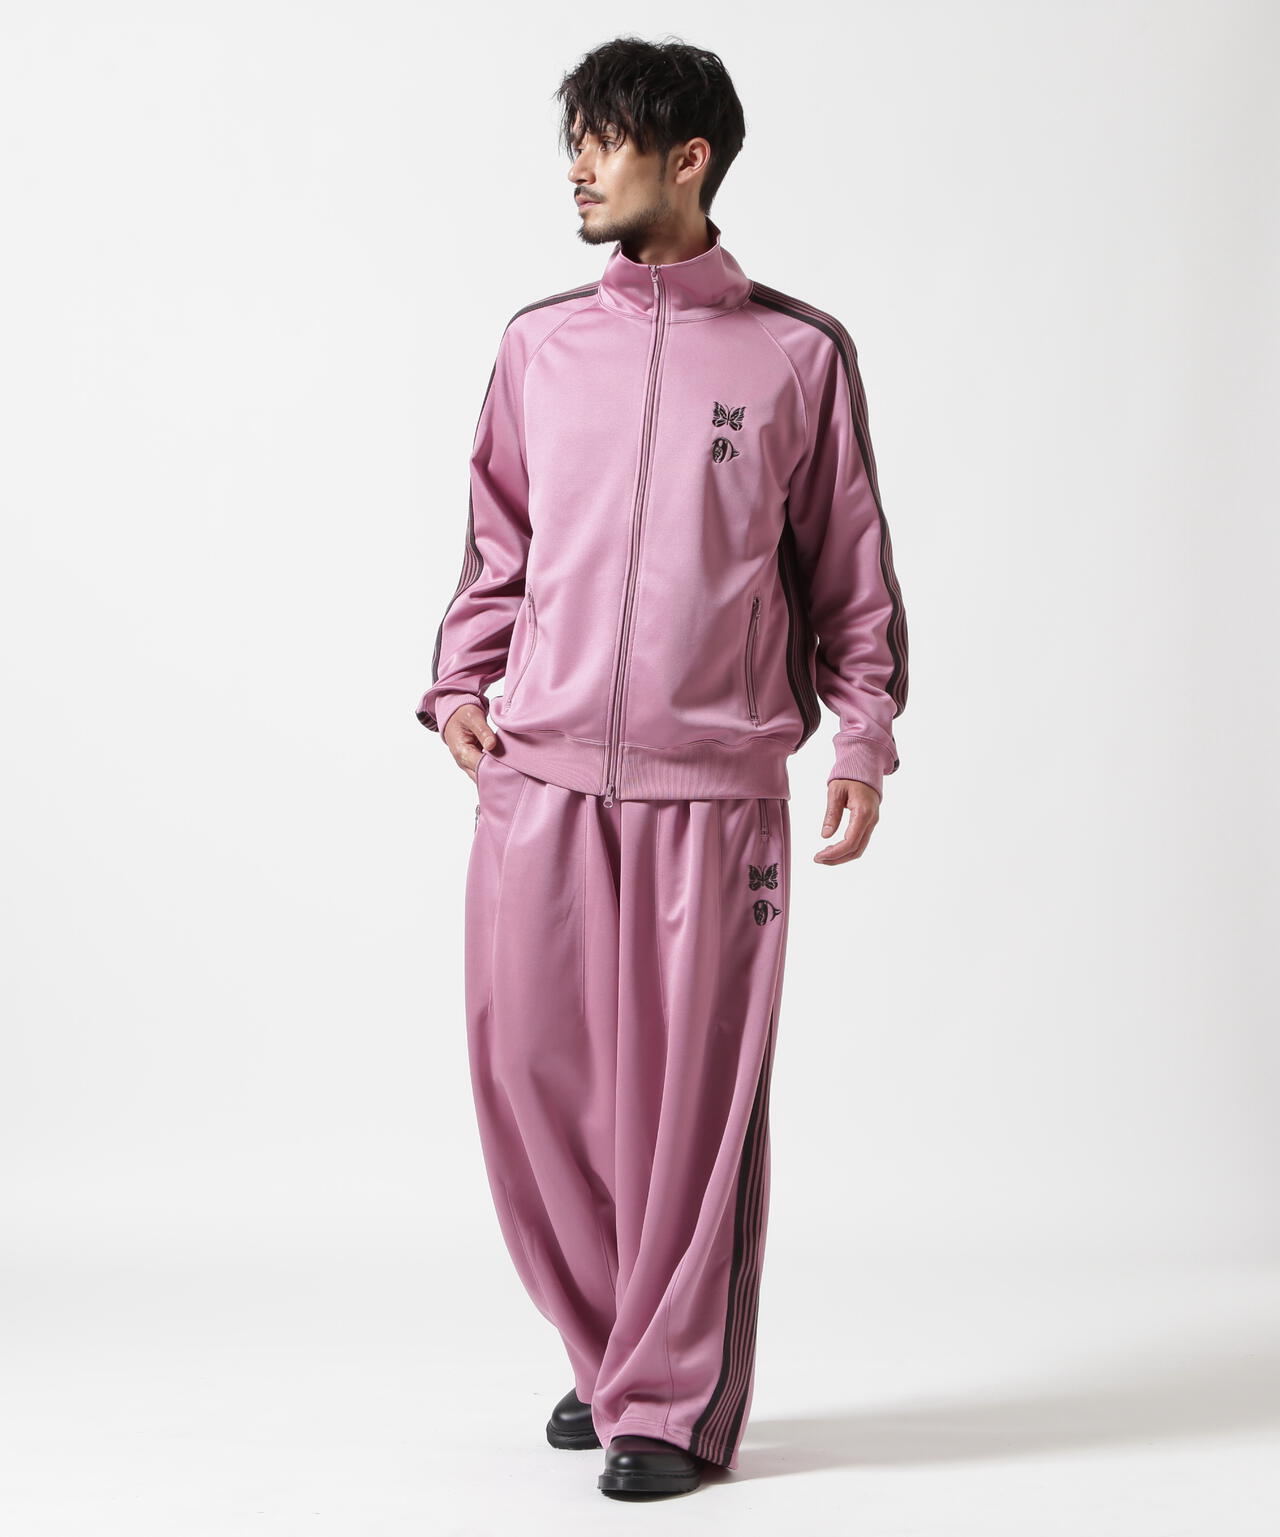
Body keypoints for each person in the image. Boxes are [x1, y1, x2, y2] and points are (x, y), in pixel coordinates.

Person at [415, 36, 909, 1499]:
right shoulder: (539, 345)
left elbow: (851, 571)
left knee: (690, 1108)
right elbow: (497, 539)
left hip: (714, 792)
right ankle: (607, 1348)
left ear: (687, 160)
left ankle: (674, 1399)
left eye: (605, 139)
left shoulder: (796, 354)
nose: (577, 166)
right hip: (543, 776)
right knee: (533, 1078)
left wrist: (863, 731)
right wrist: (458, 683)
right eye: (572, 138)